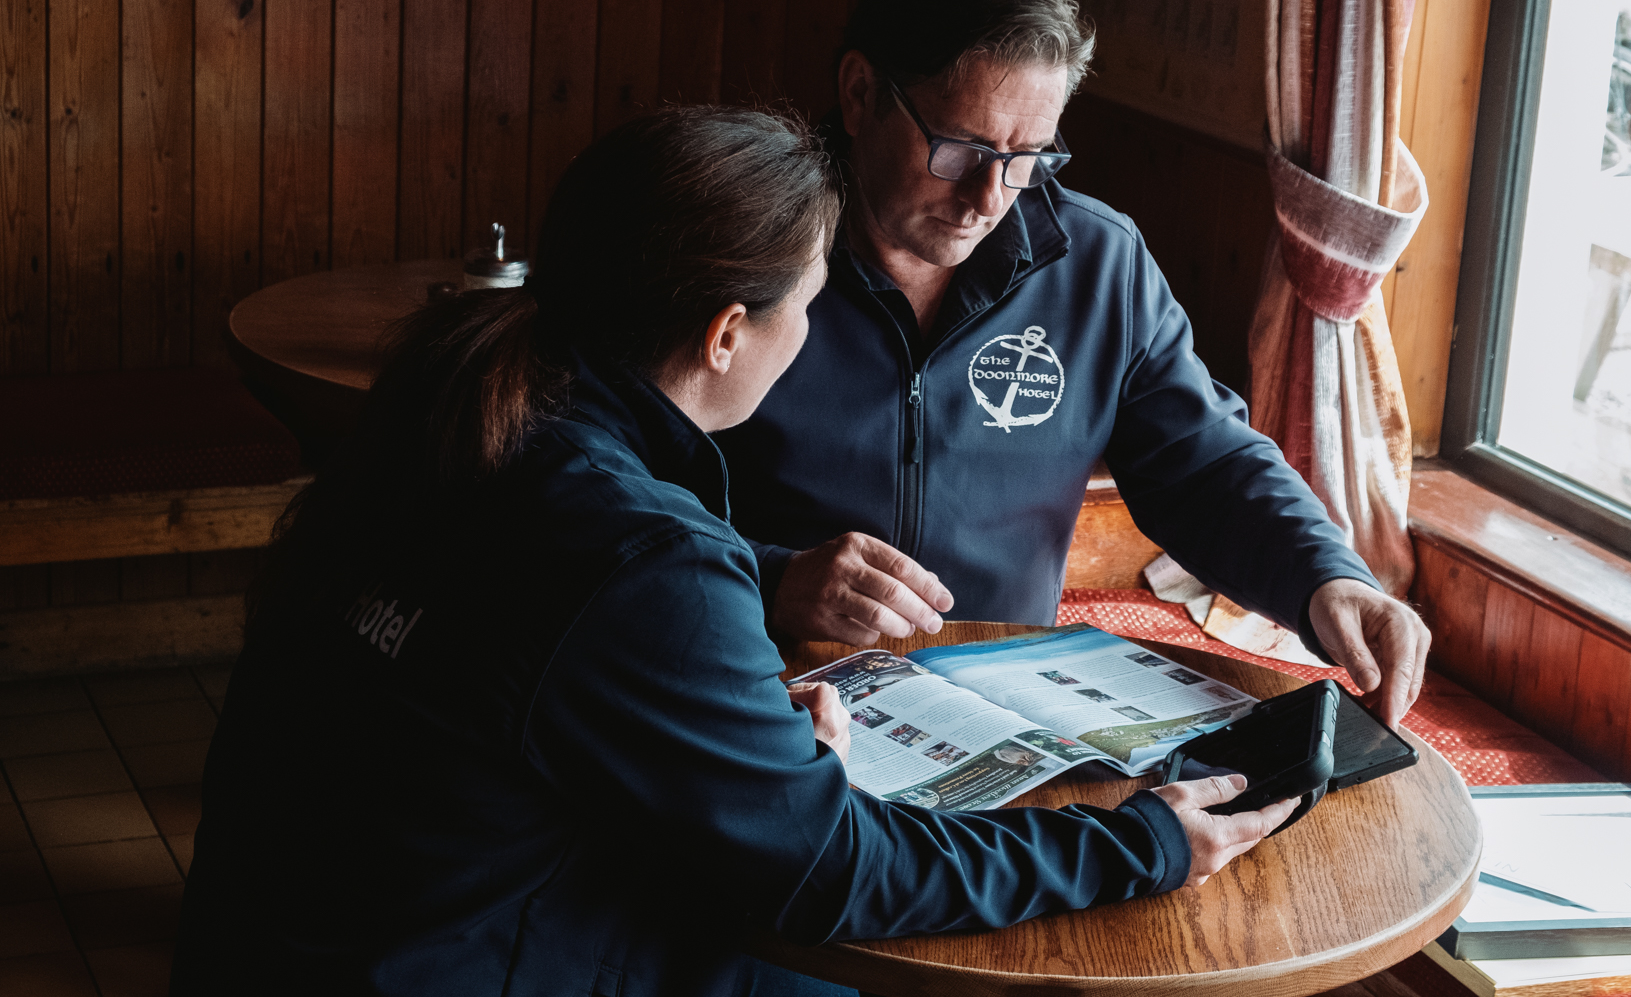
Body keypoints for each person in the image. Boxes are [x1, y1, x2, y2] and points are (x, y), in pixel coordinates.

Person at [171, 107, 1296, 997]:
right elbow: (834, 870)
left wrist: (742, 754)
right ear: (724, 332)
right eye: (805, 305)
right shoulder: (645, 556)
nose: (811, 335)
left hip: (272, 942)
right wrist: (1141, 843)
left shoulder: (451, 407)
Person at [717, 0, 1430, 725]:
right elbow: (608, 496)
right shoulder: (742, 251)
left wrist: (1329, 576)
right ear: (859, 94)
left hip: (1000, 714)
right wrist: (772, 577)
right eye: (961, 150)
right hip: (763, 693)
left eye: (1028, 158)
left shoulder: (1097, 265)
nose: (990, 198)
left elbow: (1205, 465)